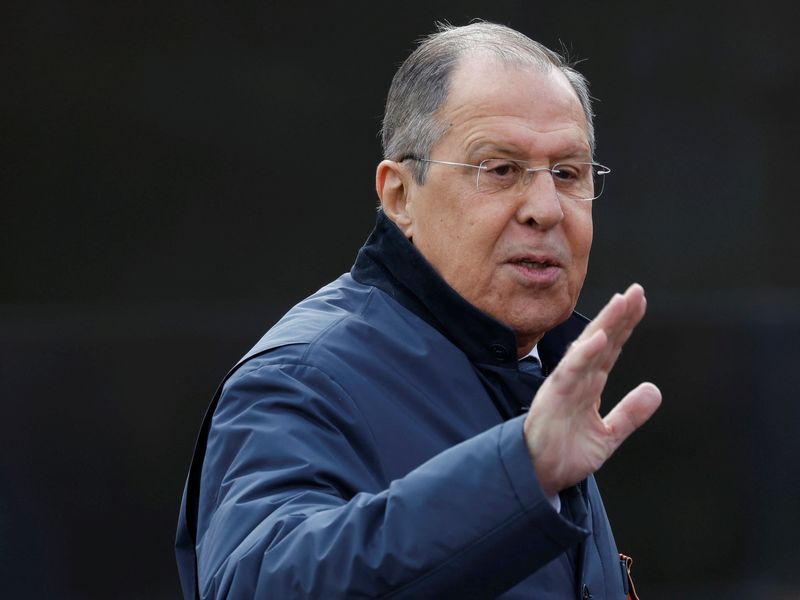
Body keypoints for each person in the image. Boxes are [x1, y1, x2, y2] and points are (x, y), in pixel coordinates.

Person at [176, 21, 661, 599]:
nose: (545, 208)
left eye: (567, 173)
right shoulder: (302, 375)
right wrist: (516, 474)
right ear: (399, 196)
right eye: (499, 169)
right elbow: (258, 586)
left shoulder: (532, 363)